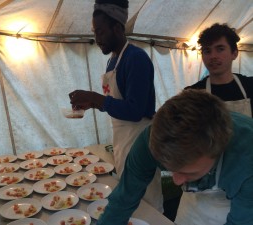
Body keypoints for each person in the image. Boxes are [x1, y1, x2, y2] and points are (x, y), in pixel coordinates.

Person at [97, 89, 253, 225]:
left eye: (189, 172)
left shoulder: (246, 156)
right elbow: (124, 198)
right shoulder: (150, 142)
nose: (176, 181)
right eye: (170, 169)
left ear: (218, 150)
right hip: (195, 207)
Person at [69, 0, 163, 212]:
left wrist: (96, 98)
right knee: (130, 201)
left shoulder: (136, 58)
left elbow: (135, 110)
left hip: (140, 140)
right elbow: (116, 104)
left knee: (147, 205)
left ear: (118, 28)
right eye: (94, 32)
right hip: (122, 141)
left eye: (100, 32)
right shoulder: (113, 60)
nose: (97, 39)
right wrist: (92, 103)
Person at [185, 23, 253, 117]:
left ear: (234, 53)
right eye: (207, 51)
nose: (213, 56)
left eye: (220, 49)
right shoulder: (192, 94)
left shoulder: (250, 85)